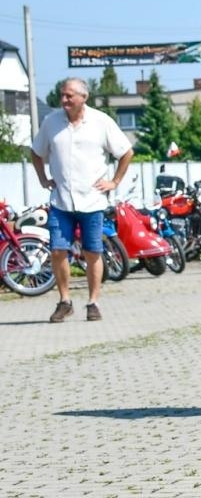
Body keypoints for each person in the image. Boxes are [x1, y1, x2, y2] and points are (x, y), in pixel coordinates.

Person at [30, 77, 133, 322]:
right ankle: (65, 300)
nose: (64, 100)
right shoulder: (50, 122)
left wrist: (114, 182)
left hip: (92, 201)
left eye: (69, 96)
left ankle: (93, 302)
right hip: (61, 201)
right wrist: (43, 179)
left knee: (92, 252)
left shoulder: (101, 122)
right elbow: (35, 152)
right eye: (62, 95)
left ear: (83, 98)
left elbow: (126, 152)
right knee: (57, 250)